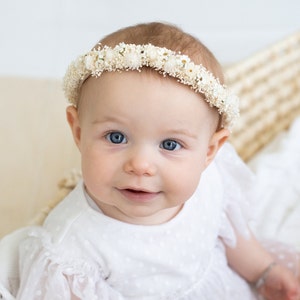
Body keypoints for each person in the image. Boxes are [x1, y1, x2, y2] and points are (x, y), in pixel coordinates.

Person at [11, 22, 300, 299]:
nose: (140, 165)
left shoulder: (210, 179)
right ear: (78, 130)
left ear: (210, 151)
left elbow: (236, 242)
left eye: (170, 144)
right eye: (116, 137)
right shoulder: (73, 250)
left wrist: (265, 273)